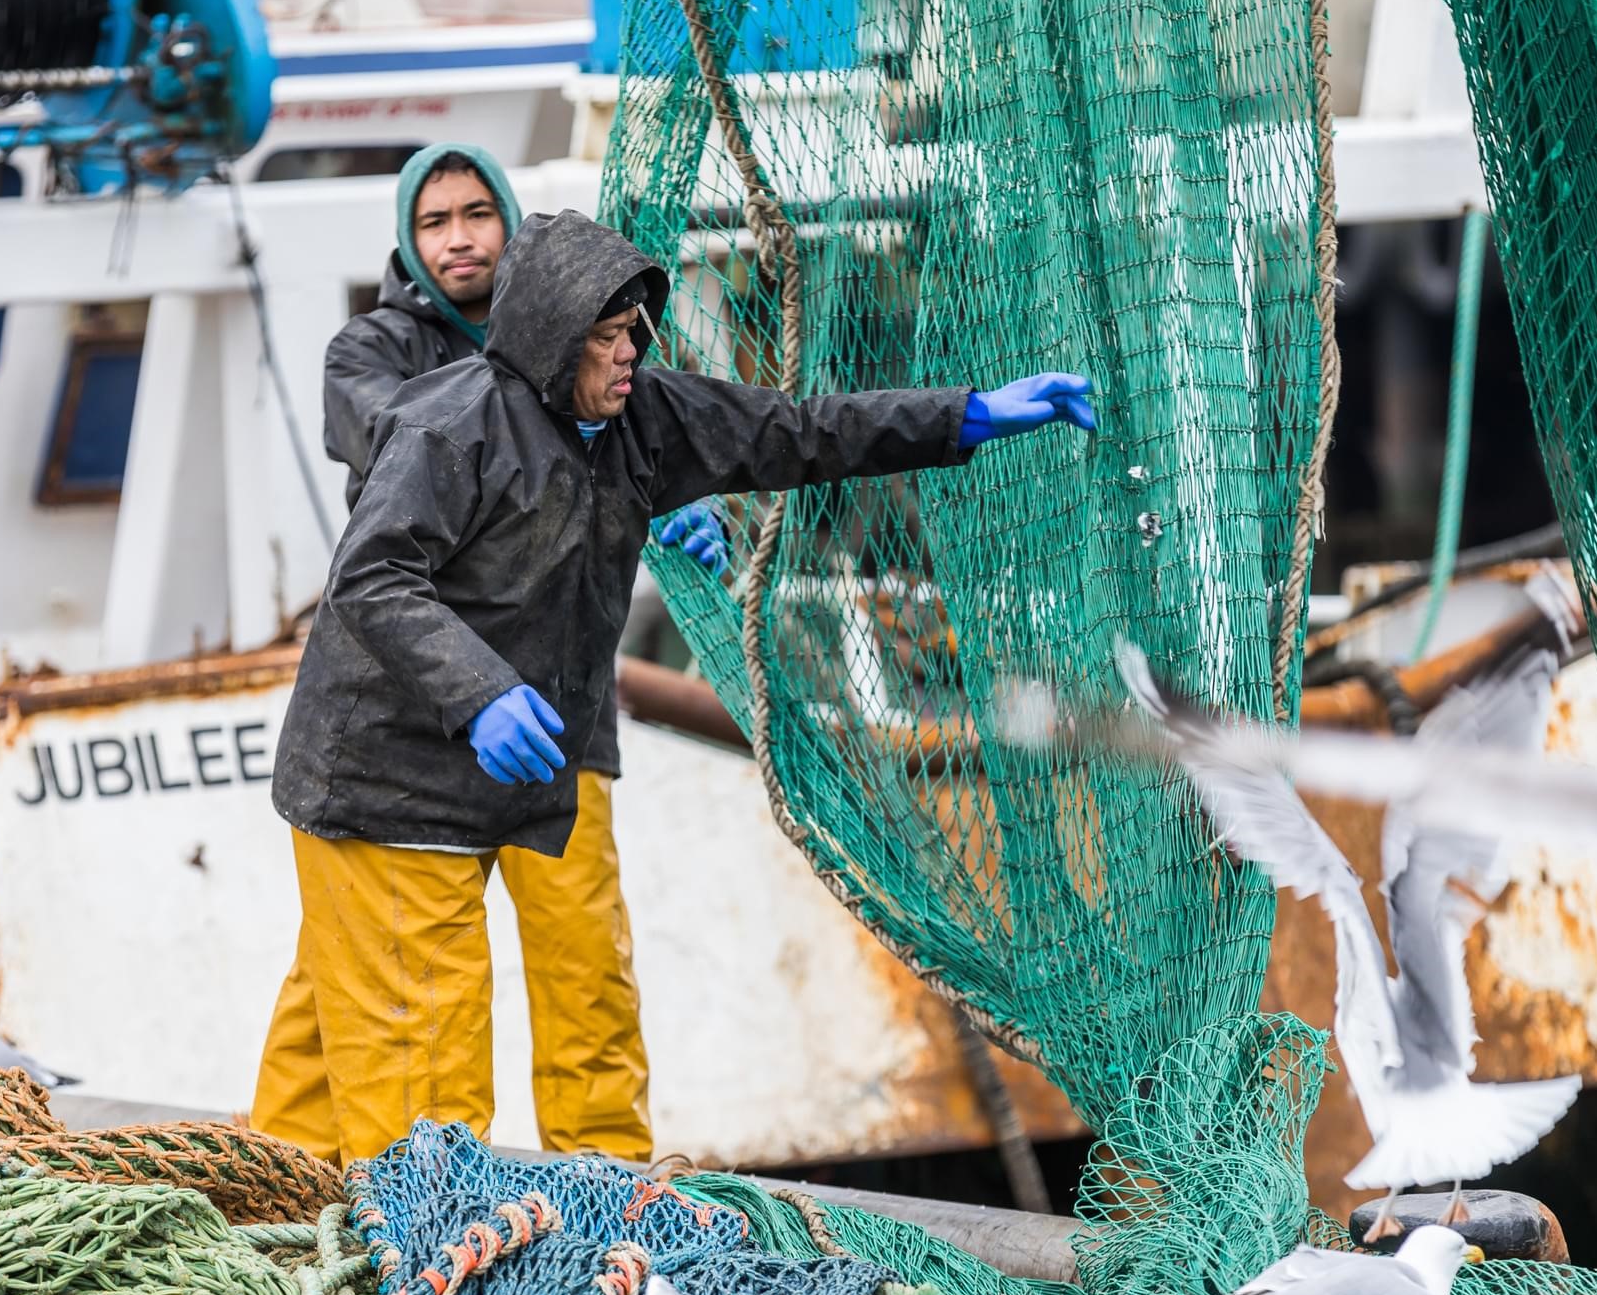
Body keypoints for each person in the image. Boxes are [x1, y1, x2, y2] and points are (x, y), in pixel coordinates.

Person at [257, 208, 1094, 1163]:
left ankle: (283, 1198)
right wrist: (478, 691)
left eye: (630, 336)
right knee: (423, 1062)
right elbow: (370, 576)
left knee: (347, 1017)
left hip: (509, 776)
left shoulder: (641, 416)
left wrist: (966, 416)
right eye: (603, 339)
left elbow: (803, 433)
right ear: (547, 340)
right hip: (387, 782)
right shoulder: (449, 428)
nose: (625, 357)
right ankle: (423, 1265)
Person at [251, 146, 717, 1165]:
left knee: (584, 957)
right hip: (417, 726)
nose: (458, 236)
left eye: (476, 213)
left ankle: (606, 1176)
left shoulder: (598, 350)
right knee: (337, 970)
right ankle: (280, 1172)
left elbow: (675, 427)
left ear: (511, 224)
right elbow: (418, 449)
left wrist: (666, 479)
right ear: (408, 243)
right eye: (433, 222)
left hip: (553, 719)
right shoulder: (367, 356)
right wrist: (604, 472)